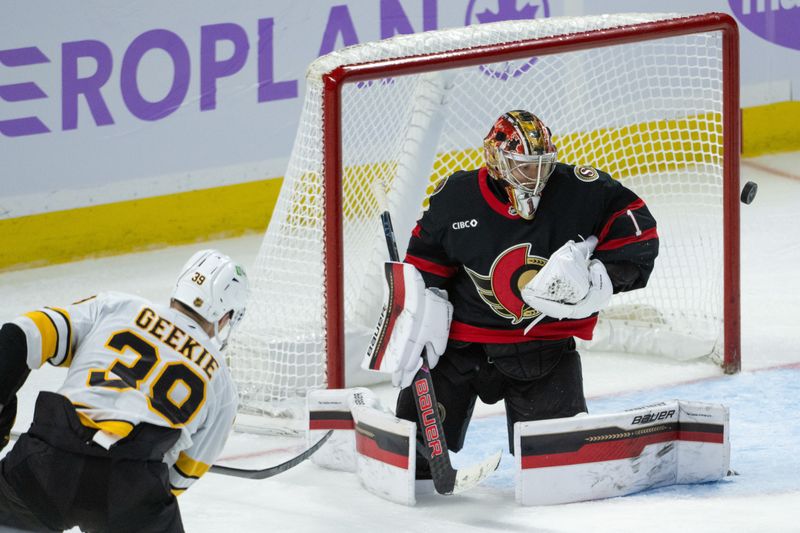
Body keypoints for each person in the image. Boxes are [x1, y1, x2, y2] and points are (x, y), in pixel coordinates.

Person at [393, 110, 659, 481]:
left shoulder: (580, 189)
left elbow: (637, 230)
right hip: (461, 350)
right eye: (522, 166)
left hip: (543, 351)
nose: (535, 176)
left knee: (557, 470)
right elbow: (424, 264)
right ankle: (418, 448)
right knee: (409, 459)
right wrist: (419, 313)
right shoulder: (456, 198)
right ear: (496, 161)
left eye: (542, 165)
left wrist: (603, 278)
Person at [0, 249, 249, 532]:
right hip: (130, 487)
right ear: (225, 316)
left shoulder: (115, 307)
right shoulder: (223, 386)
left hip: (47, 460)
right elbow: (178, 478)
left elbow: (19, 336)